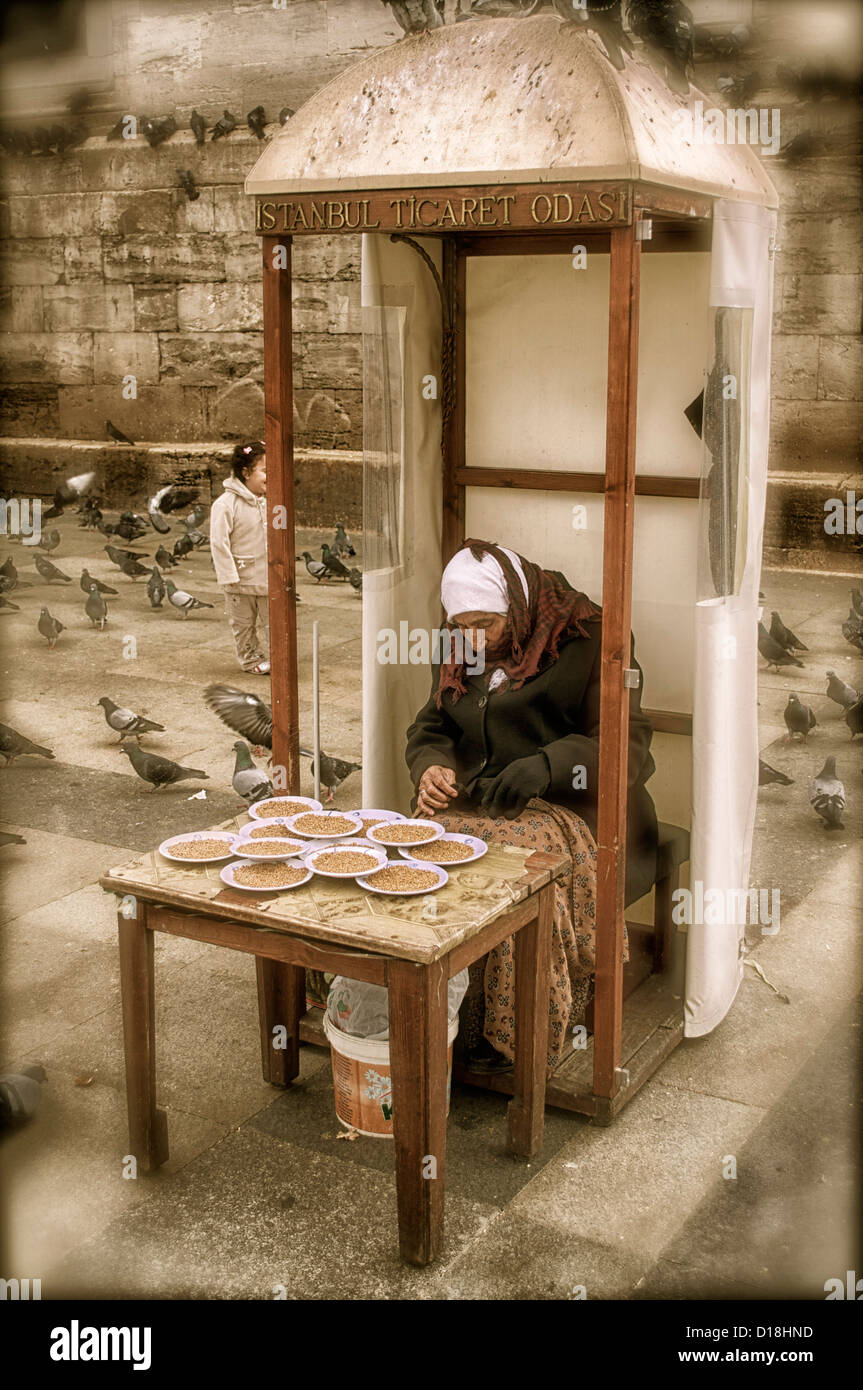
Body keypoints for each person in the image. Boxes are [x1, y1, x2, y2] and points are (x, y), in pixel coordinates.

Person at [405, 538, 658, 1073]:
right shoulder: (460, 641)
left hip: (573, 805)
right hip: (476, 796)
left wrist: (550, 764)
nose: (473, 639)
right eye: (462, 626)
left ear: (515, 608)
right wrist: (430, 765)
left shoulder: (593, 639)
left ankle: (511, 1034)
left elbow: (625, 744)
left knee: (508, 871)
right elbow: (431, 725)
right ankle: (431, 1019)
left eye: (485, 625)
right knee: (415, 854)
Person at [210, 440, 271, 676]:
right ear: (245, 473)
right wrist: (228, 577)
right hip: (239, 581)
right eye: (265, 471)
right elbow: (219, 543)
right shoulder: (226, 504)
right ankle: (250, 657)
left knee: (273, 623)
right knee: (243, 625)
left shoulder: (271, 501)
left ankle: (279, 656)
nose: (271, 476)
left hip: (267, 578)